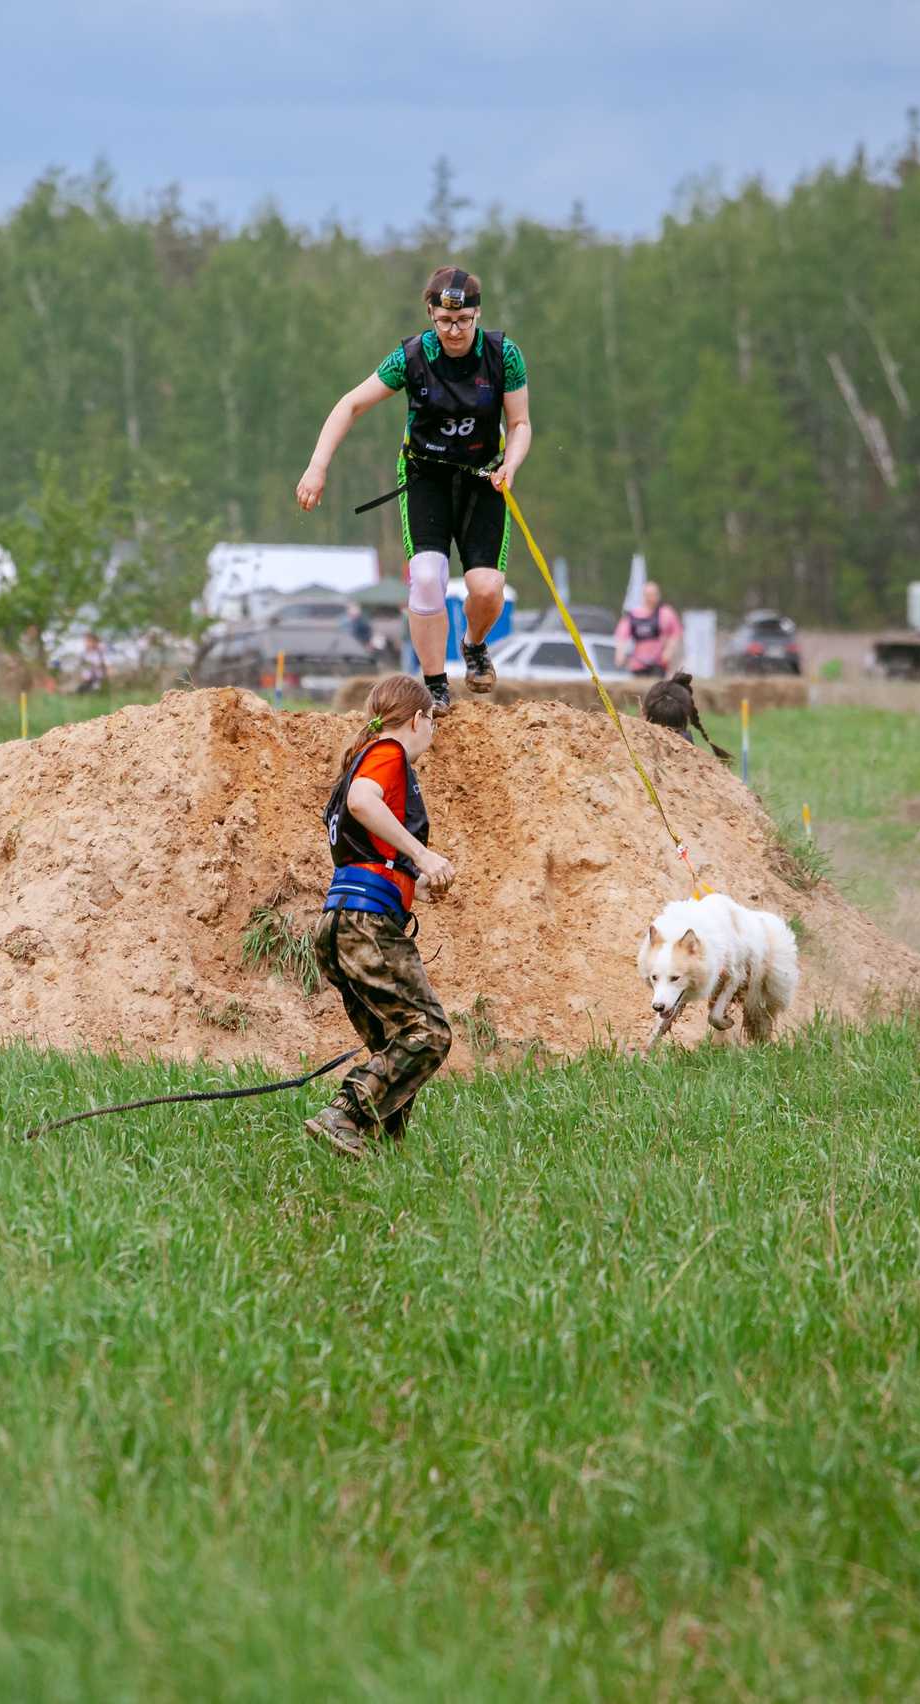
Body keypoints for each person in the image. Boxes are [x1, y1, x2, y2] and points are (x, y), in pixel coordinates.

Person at [296, 265, 533, 717]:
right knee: (426, 577)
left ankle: (474, 644)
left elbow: (519, 422)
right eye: (444, 321)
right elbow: (351, 404)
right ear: (430, 315)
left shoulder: (504, 354)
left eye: (463, 321)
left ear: (478, 314)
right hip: (426, 477)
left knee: (486, 589)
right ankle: (435, 686)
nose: (454, 331)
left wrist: (512, 463)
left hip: (484, 477)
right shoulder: (409, 357)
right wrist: (317, 466)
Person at [306, 675, 458, 1159]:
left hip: (339, 923)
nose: (433, 730)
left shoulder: (360, 758)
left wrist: (412, 881)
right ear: (416, 719)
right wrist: (422, 854)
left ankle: (383, 1157)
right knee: (428, 1033)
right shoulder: (388, 753)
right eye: (432, 720)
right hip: (364, 924)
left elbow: (363, 849)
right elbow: (362, 802)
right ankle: (345, 1113)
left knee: (395, 1050)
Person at [615, 581, 682, 678]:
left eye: (653, 594)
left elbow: (676, 634)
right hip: (638, 663)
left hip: (659, 662)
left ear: (658, 595)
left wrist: (667, 654)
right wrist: (620, 655)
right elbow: (621, 636)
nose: (651, 597)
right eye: (648, 594)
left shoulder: (666, 613)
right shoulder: (633, 615)